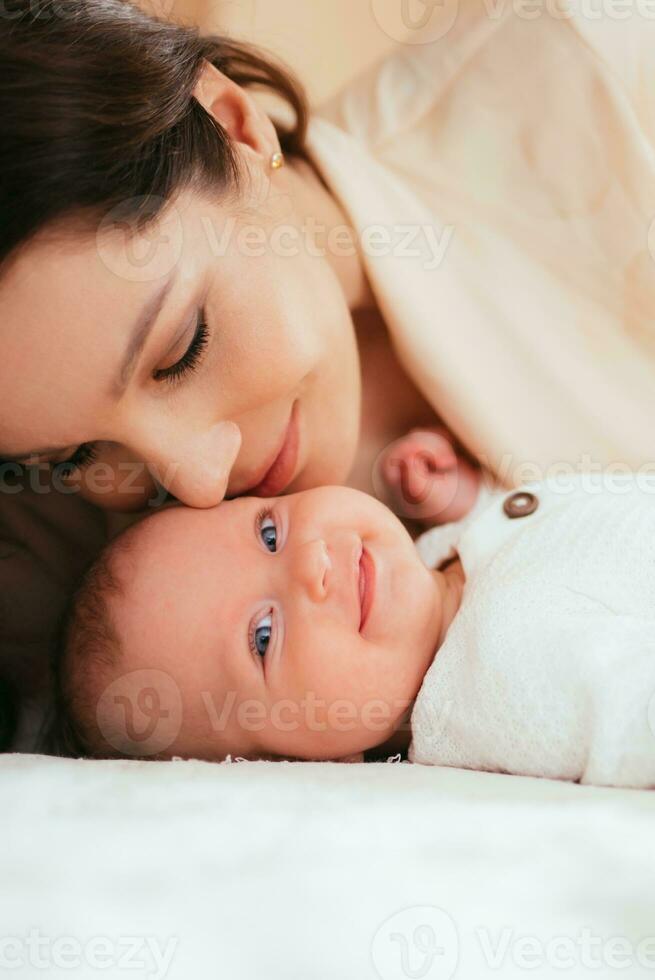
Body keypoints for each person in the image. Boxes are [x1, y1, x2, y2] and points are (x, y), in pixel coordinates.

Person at [3, 0, 655, 748]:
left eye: (183, 347)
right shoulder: (65, 562)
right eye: (76, 456)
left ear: (235, 125)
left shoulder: (598, 75)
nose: (198, 483)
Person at [52, 453, 655, 789]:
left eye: (269, 533)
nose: (310, 565)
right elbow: (630, 718)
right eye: (263, 638)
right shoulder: (492, 693)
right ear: (308, 767)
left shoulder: (440, 561)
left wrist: (472, 501)